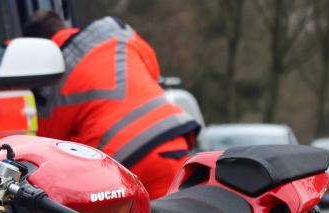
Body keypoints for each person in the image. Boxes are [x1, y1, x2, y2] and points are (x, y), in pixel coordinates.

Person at [24, 11, 200, 198]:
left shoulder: (49, 82)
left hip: (123, 163)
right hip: (171, 140)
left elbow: (48, 146)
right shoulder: (116, 31)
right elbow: (153, 71)